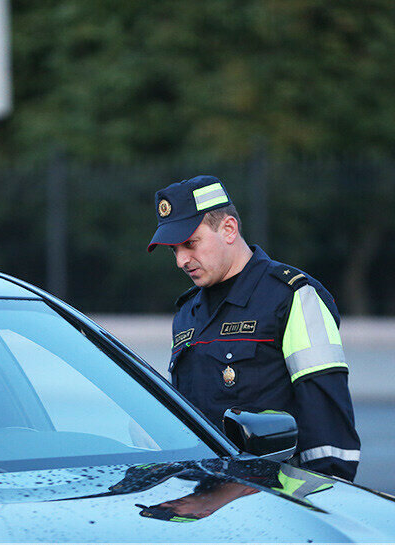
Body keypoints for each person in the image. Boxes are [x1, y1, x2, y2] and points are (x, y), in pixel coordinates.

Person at [147, 175, 361, 481]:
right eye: (174, 250)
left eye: (190, 243)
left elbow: (330, 438)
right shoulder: (187, 313)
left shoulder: (293, 296)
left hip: (272, 503)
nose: (182, 260)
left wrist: (316, 507)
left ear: (229, 229)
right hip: (203, 503)